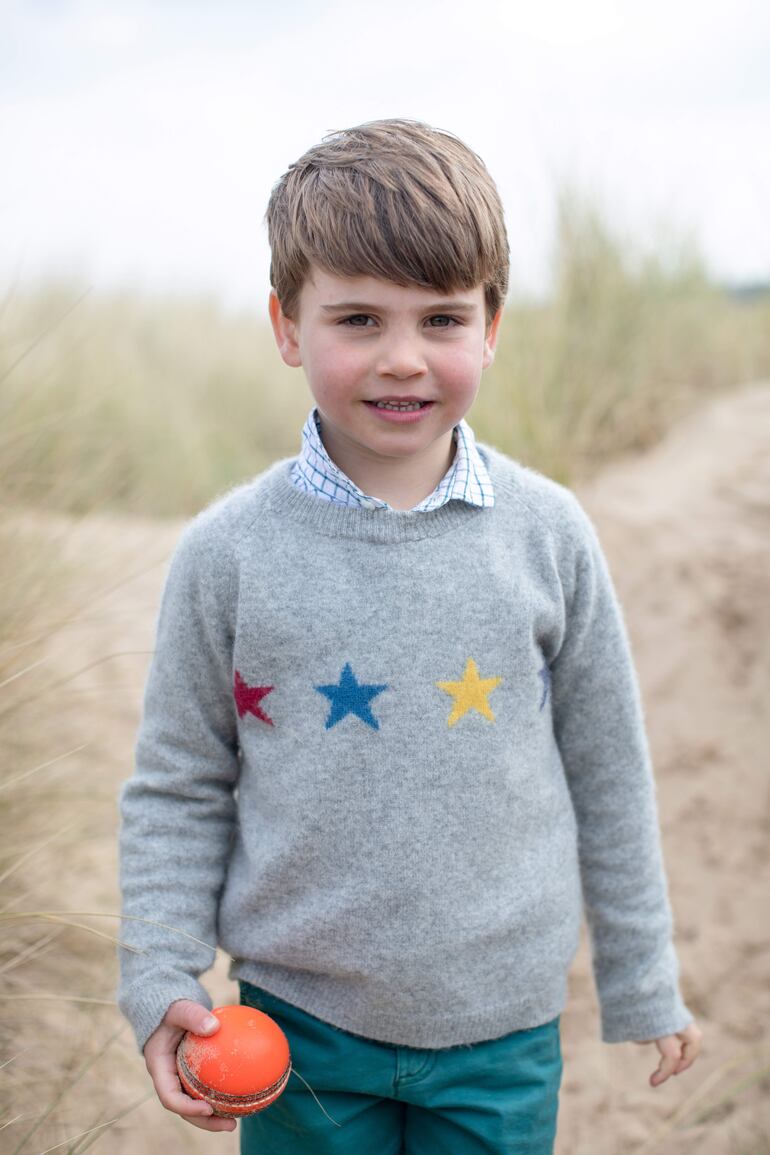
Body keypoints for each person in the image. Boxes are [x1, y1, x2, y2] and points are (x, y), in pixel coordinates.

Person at [118, 118, 702, 1154]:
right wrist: (162, 971)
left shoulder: (549, 534)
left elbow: (608, 767)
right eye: (357, 319)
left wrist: (640, 973)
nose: (402, 358)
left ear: (491, 326)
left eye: (441, 319)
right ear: (286, 326)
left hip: (501, 1029)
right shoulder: (227, 553)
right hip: (296, 1025)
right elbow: (178, 779)